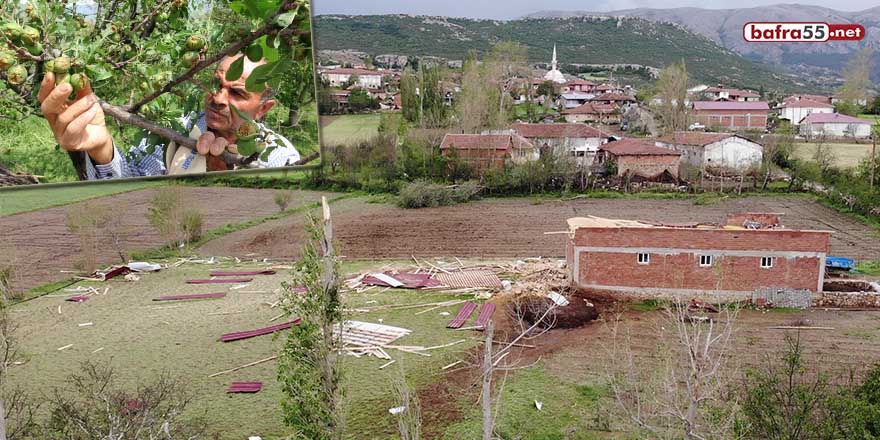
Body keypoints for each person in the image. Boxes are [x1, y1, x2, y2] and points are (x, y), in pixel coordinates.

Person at [37, 54, 300, 179]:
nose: (218, 98)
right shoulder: (174, 128)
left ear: (263, 109)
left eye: (237, 94)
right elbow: (131, 182)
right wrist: (101, 149)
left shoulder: (280, 157)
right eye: (217, 84)